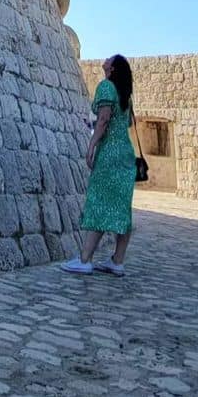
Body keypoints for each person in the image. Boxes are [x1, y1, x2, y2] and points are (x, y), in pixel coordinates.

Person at [60, 53, 137, 277]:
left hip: (110, 154)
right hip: (125, 154)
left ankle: (85, 259)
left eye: (108, 60)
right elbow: (128, 121)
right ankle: (117, 261)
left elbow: (103, 120)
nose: (104, 61)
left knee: (99, 202)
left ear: (112, 69)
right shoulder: (126, 94)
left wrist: (92, 144)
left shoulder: (106, 87)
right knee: (123, 208)